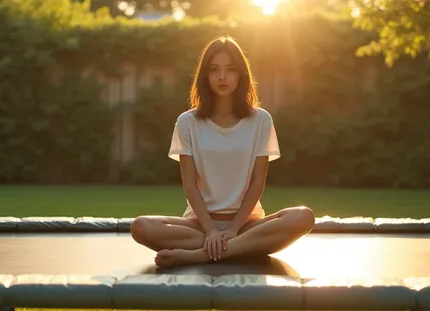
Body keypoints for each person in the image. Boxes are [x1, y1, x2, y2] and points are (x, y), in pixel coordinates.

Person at [130, 36, 315, 268]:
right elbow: (190, 183)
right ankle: (242, 248)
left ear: (241, 75)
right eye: (214, 70)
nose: (222, 77)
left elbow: (258, 181)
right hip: (198, 224)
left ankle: (200, 255)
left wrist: (233, 229)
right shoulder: (187, 122)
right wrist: (210, 230)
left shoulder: (261, 120)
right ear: (205, 76)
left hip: (247, 224)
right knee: (141, 226)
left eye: (230, 70)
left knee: (303, 216)